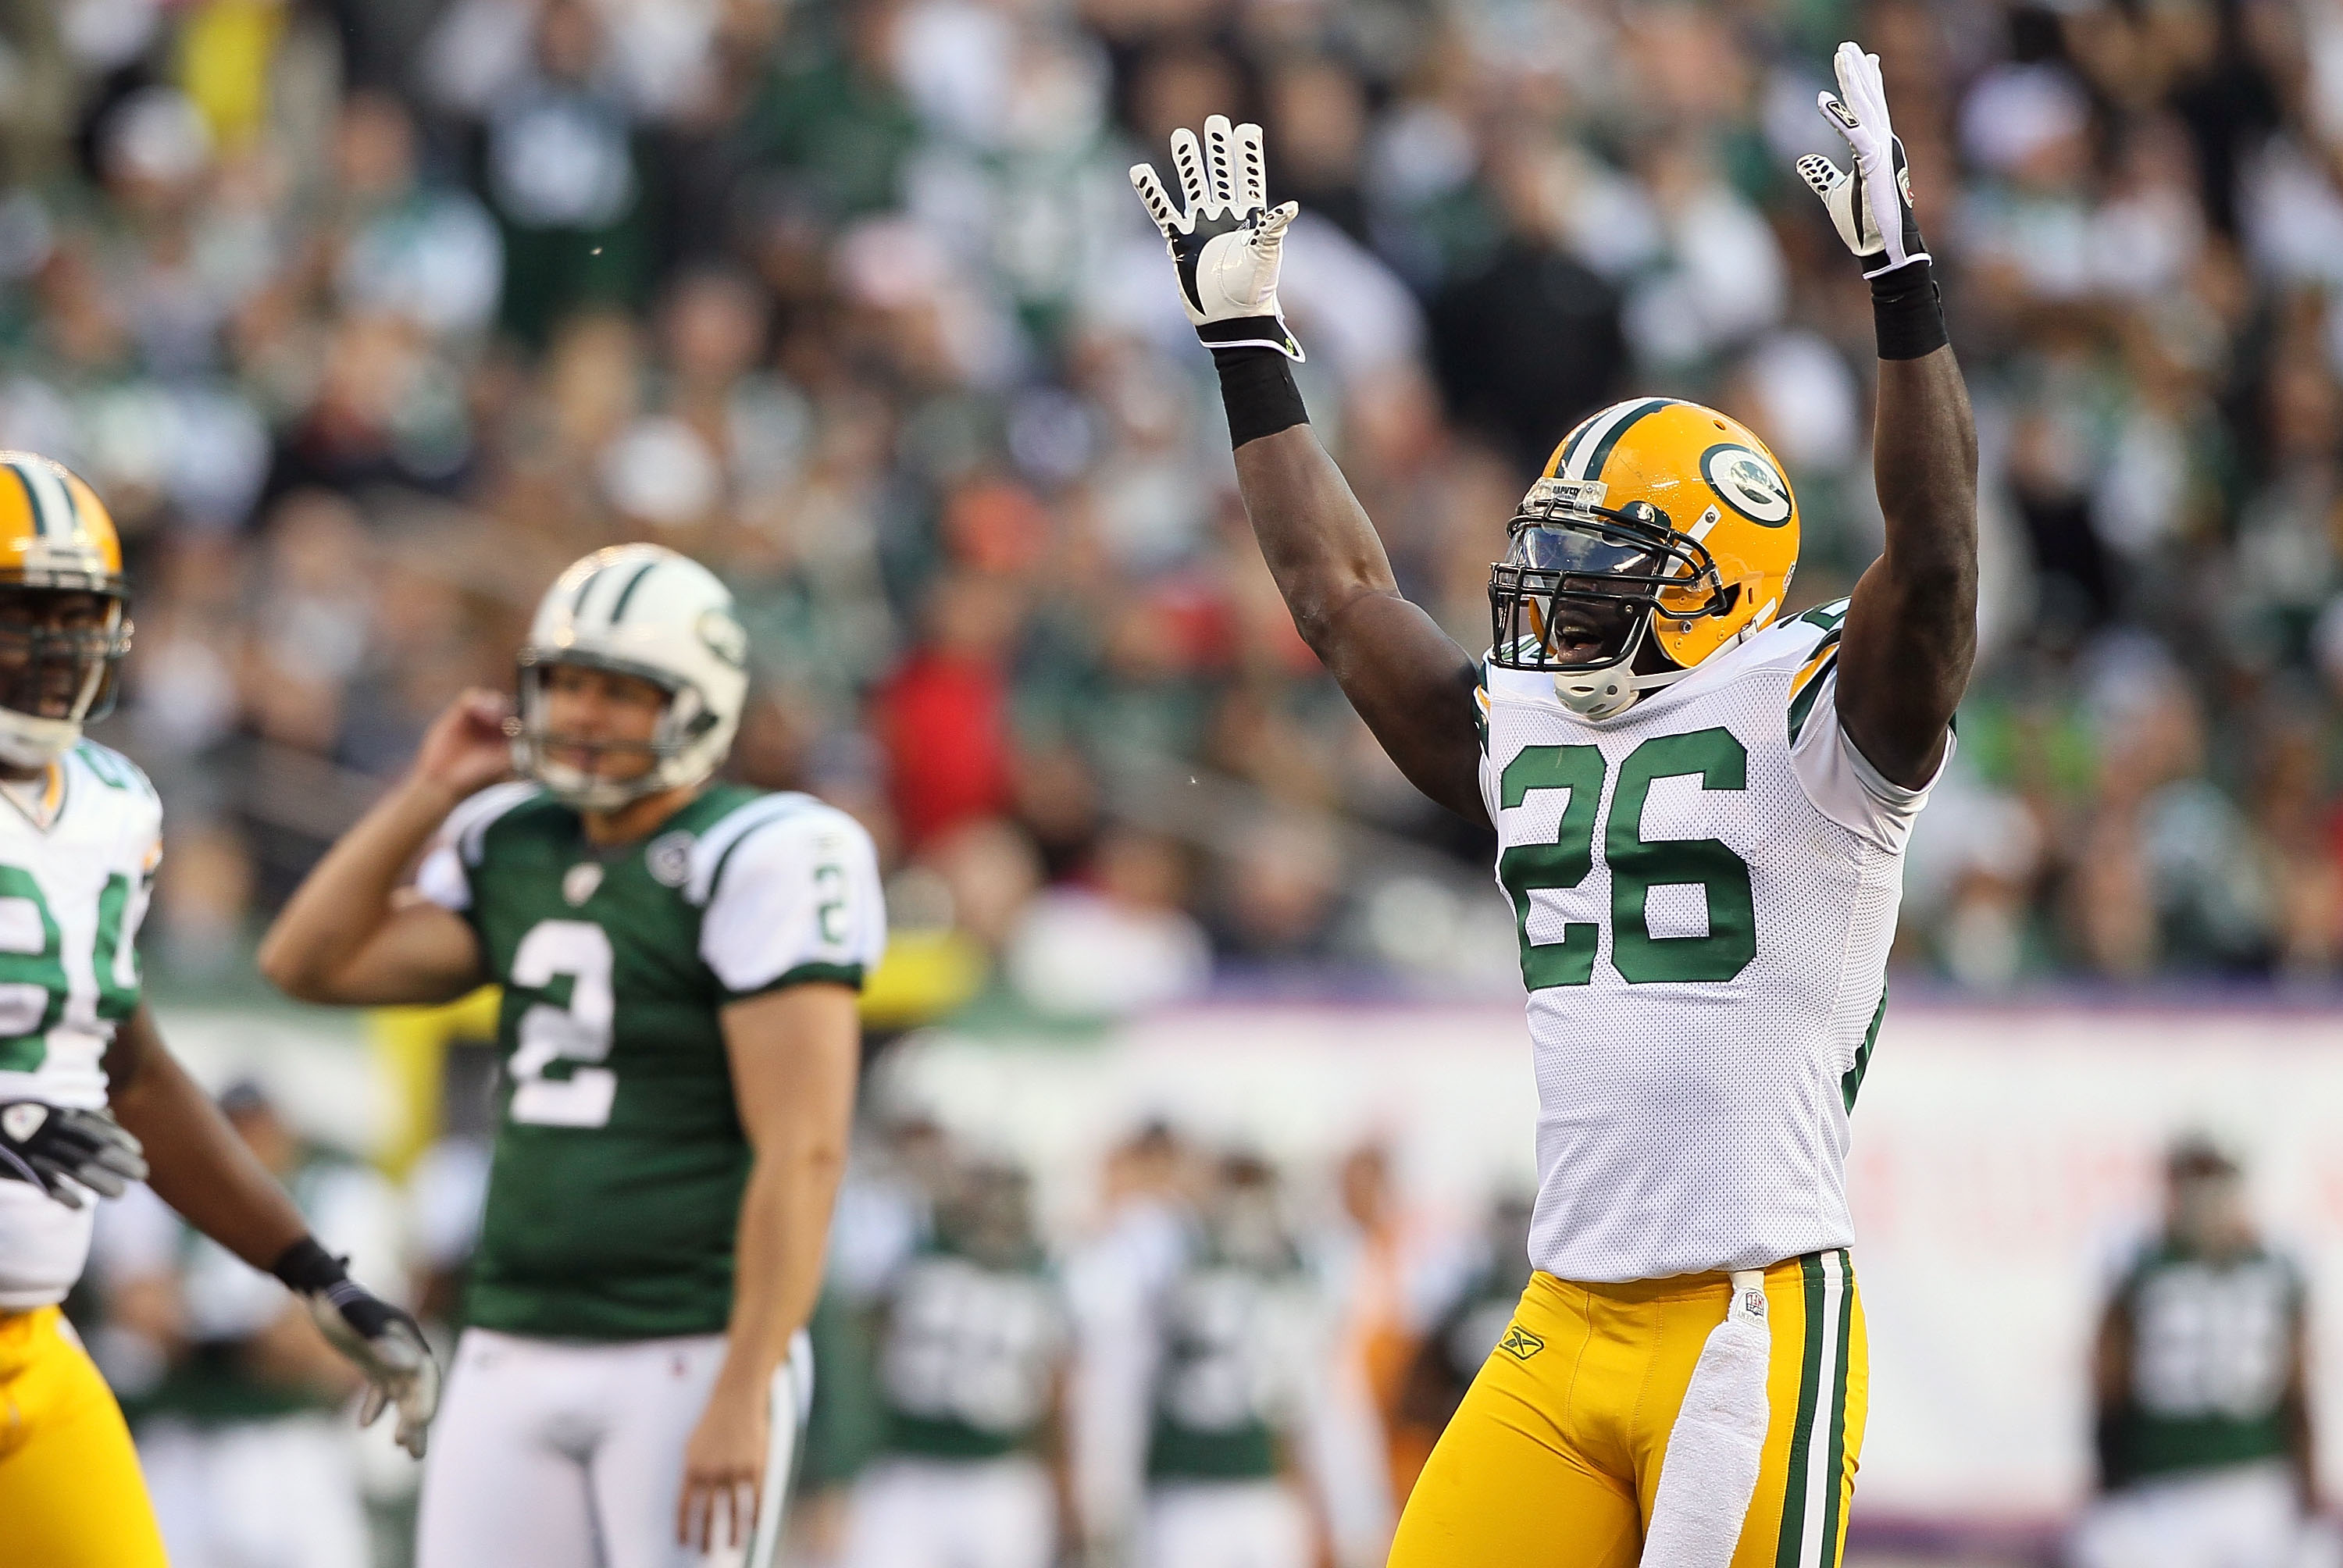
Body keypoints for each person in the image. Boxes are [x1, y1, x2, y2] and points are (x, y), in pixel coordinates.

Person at [1129, 38, 1976, 1566]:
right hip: (1567, 1300)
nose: (1556, 594)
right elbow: (1338, 596)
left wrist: (1900, 281)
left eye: (1608, 565)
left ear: (1722, 584)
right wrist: (1247, 334)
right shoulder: (1523, 726)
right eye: (1557, 552)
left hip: (1751, 1307)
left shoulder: (1822, 724)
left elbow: (1938, 557)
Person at [257, 541, 887, 1568]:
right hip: (512, 1335)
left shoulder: (764, 853)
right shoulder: (517, 838)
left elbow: (805, 1151)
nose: (585, 716)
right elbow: (306, 963)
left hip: (685, 1344)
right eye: (568, 685)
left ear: (702, 703)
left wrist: (745, 1384)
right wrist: (429, 788)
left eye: (622, 693)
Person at [0, 451, 434, 1568]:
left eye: (76, 616)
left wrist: (315, 1273)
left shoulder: (110, 808)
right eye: (22, 614)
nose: (55, 650)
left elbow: (133, 1075)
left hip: (28, 1353)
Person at [94, 1080, 408, 1568]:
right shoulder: (160, 1195)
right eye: (232, 1129)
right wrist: (256, 1335)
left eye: (258, 1128)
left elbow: (327, 1348)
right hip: (186, 1442)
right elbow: (141, 1315)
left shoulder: (342, 1196)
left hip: (295, 1448)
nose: (247, 1146)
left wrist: (204, 1327)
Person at [2070, 1137, 2324, 1568]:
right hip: (2254, 1492)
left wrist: (2108, 1483)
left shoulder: (2138, 1266)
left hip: (2168, 1495)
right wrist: (2308, 1491)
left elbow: (2108, 1384)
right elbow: (2298, 1395)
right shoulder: (2278, 1268)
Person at [843, 1157, 1072, 1568]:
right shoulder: (1041, 1275)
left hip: (972, 1473)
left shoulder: (912, 1253)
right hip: (928, 1469)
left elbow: (867, 1341)